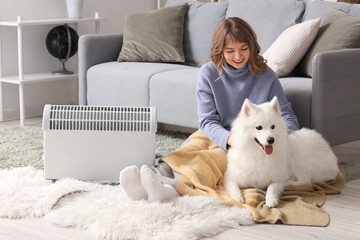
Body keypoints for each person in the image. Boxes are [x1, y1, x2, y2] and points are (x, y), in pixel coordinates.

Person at [120, 17, 299, 203]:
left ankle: (168, 191)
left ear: (252, 47)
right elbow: (207, 121)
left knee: (209, 162)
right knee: (184, 154)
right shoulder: (208, 73)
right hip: (213, 133)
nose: (238, 56)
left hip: (249, 142)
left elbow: (286, 115)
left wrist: (279, 138)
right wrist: (228, 139)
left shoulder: (266, 75)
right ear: (220, 50)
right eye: (230, 51)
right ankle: (151, 184)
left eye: (244, 49)